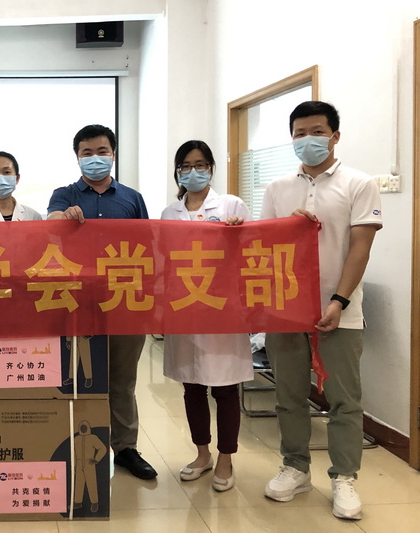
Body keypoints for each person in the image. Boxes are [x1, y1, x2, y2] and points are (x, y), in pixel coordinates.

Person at [261, 101, 382, 520]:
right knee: (289, 395)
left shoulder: (359, 184)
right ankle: (295, 466)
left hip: (340, 312)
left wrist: (339, 301)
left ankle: (344, 477)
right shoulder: (277, 189)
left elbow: (361, 249)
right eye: (299, 133)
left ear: (335, 136)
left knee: (344, 400)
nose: (307, 140)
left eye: (316, 131)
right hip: (286, 311)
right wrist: (286, 229)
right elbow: (263, 247)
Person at [47, 124, 156, 480]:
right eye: (87, 153)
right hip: (76, 304)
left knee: (122, 380)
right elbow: (50, 223)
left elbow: (147, 247)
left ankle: (125, 448)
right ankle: (72, 444)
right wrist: (64, 219)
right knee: (78, 377)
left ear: (113, 154)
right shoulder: (64, 195)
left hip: (124, 302)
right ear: (77, 157)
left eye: (102, 151)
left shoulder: (132, 198)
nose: (95, 158)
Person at [160, 140, 253, 492]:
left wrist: (238, 234)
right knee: (192, 386)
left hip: (223, 310)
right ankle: (202, 455)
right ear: (177, 172)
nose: (193, 171)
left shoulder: (231, 205)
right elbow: (163, 259)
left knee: (225, 387)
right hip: (185, 308)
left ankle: (226, 457)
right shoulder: (170, 212)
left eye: (200, 164)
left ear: (211, 168)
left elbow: (255, 252)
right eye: (185, 166)